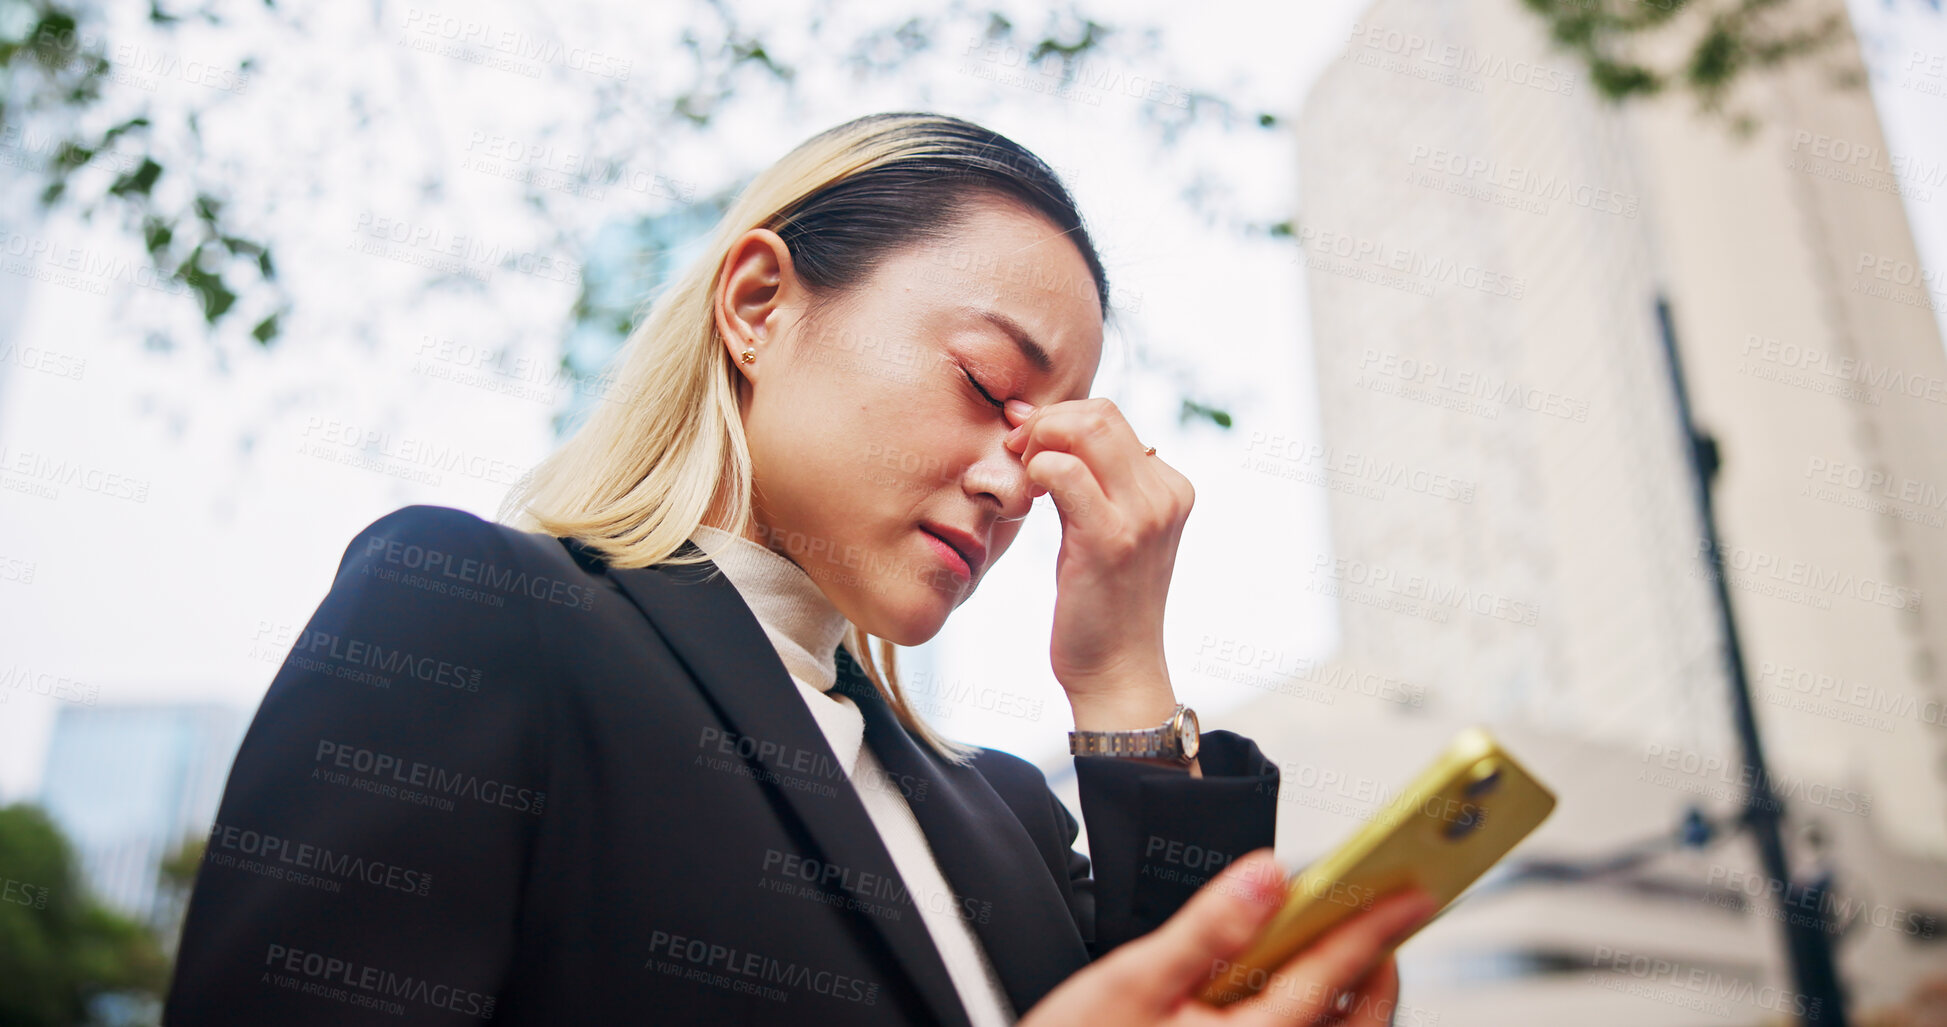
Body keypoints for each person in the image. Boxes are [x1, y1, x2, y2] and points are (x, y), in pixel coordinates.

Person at [163, 111, 1433, 1025]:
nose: (1015, 479)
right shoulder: (475, 612)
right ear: (760, 301)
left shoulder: (1009, 820)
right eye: (990, 386)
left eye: (1047, 439)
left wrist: (1121, 681)